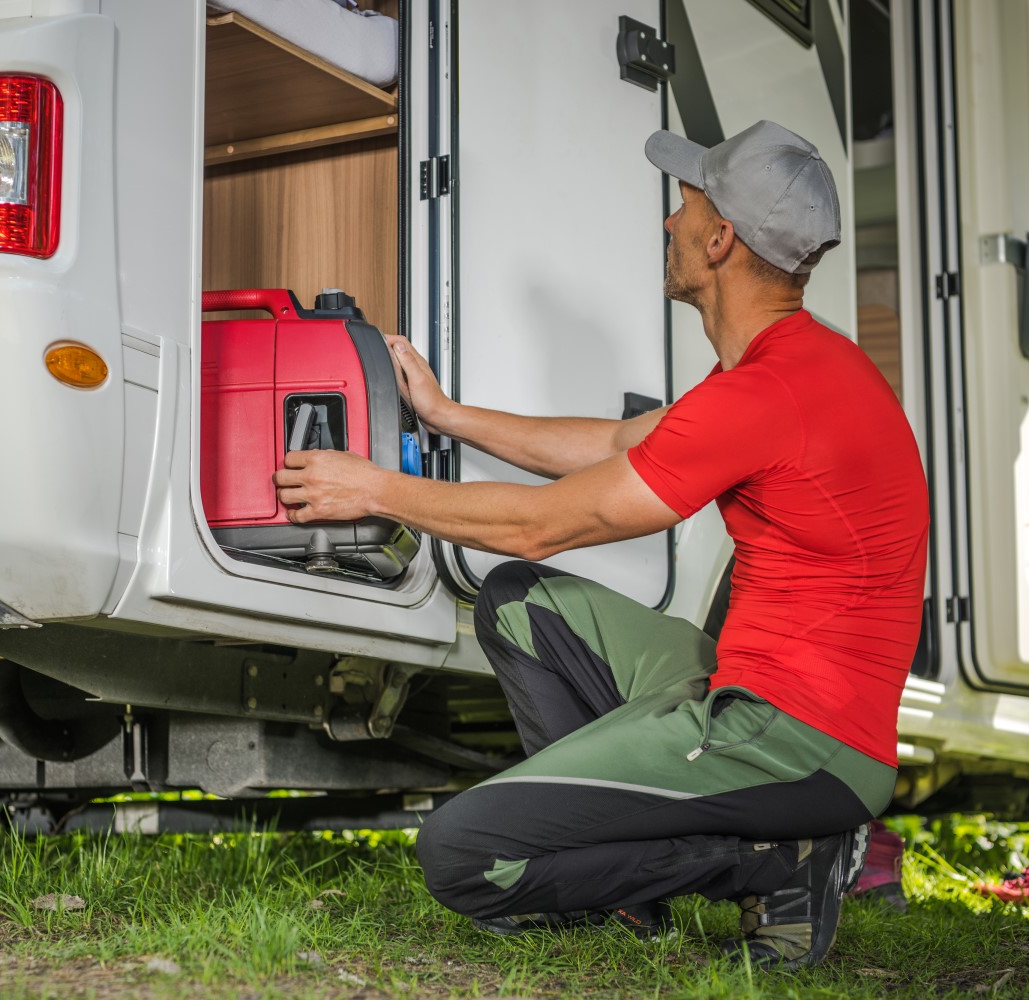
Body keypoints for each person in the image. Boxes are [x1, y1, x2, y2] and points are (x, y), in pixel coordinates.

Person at [273, 120, 930, 969]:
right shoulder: (799, 369)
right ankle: (626, 886)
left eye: (685, 205)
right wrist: (447, 414)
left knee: (464, 855)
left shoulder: (768, 394)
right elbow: (617, 445)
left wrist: (373, 489)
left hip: (800, 740)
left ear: (721, 239)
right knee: (517, 604)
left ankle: (782, 859)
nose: (669, 221)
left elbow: (541, 524)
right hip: (761, 688)